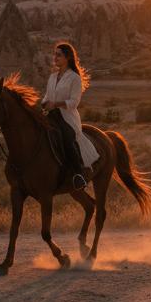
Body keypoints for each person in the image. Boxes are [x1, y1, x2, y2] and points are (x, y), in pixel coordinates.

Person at [40, 41, 100, 190]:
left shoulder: (75, 78)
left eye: (58, 55)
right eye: (54, 54)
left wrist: (56, 104)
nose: (55, 57)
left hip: (67, 118)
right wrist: (43, 103)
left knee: (67, 138)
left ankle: (78, 174)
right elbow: (47, 96)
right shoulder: (53, 77)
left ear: (67, 57)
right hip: (51, 115)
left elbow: (74, 102)